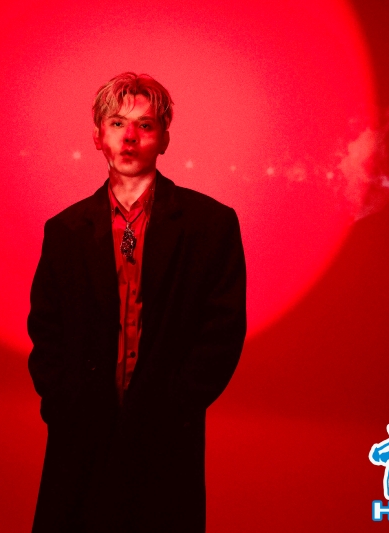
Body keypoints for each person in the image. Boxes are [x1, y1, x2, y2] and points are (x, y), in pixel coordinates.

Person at [27, 72, 247, 533]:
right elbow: (46, 329)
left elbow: (223, 331)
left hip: (166, 437)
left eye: (145, 125)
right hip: (81, 436)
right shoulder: (63, 231)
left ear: (164, 139)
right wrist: (63, 405)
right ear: (97, 137)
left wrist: (178, 406)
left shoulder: (211, 225)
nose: (129, 137)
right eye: (116, 123)